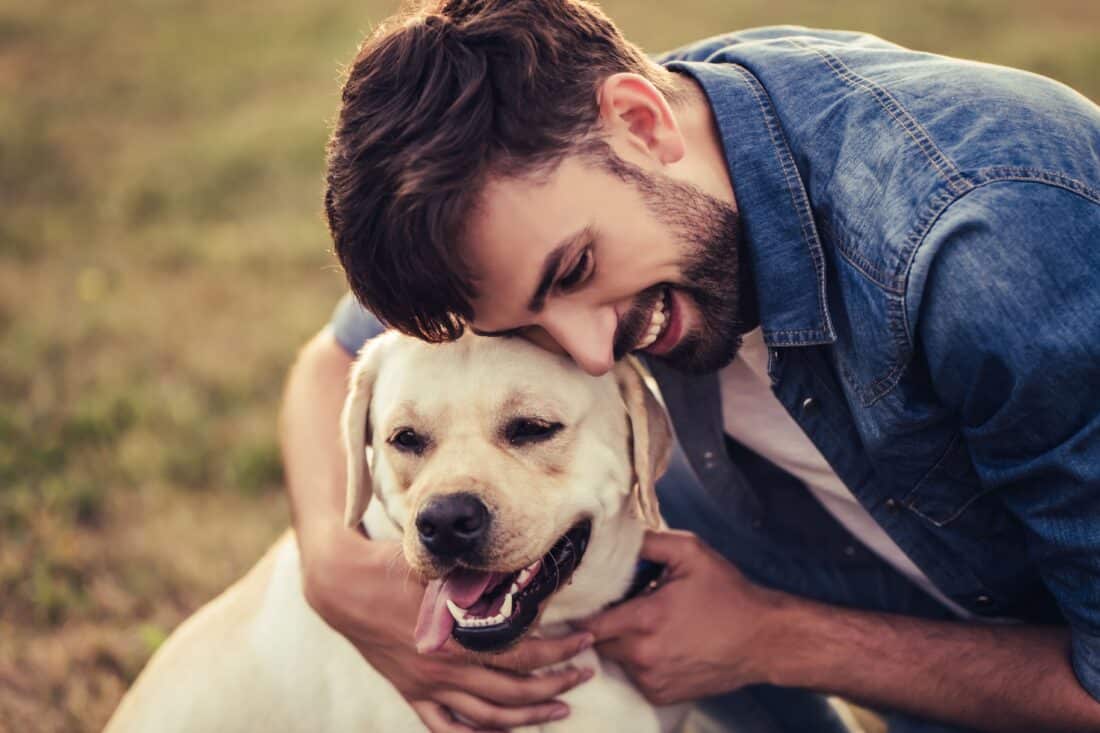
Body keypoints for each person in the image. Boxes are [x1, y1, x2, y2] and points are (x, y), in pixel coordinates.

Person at [281, 1, 1100, 731]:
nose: (595, 351)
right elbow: (335, 360)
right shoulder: (591, 158)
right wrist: (330, 564)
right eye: (526, 326)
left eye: (574, 272)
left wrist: (768, 636)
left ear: (642, 121)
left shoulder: (987, 253)